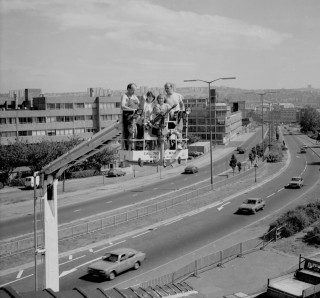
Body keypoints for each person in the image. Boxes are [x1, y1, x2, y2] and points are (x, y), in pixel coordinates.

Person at [164, 82, 185, 149]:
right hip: (169, 115)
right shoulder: (165, 97)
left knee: (179, 129)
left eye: (168, 88)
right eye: (165, 88)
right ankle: (169, 144)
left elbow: (182, 105)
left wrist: (182, 112)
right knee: (169, 130)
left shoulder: (177, 95)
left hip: (178, 114)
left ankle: (179, 143)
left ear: (171, 88)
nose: (166, 89)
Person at [121, 83, 140, 150]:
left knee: (140, 127)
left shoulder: (134, 96)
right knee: (129, 131)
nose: (134, 92)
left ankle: (138, 145)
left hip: (136, 115)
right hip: (128, 115)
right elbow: (123, 106)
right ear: (128, 89)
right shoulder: (125, 96)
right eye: (132, 90)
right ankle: (128, 147)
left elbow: (138, 103)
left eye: (135, 90)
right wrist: (132, 110)